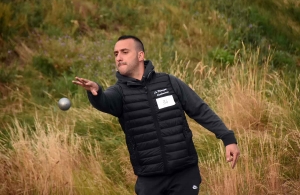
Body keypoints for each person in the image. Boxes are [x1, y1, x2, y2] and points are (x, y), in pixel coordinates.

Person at [72, 35, 240, 195]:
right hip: (150, 179)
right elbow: (105, 102)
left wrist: (227, 137)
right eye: (116, 54)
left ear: (140, 55)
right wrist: (96, 92)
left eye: (124, 52)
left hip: (184, 173)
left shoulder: (168, 82)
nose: (118, 57)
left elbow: (200, 109)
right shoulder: (119, 93)